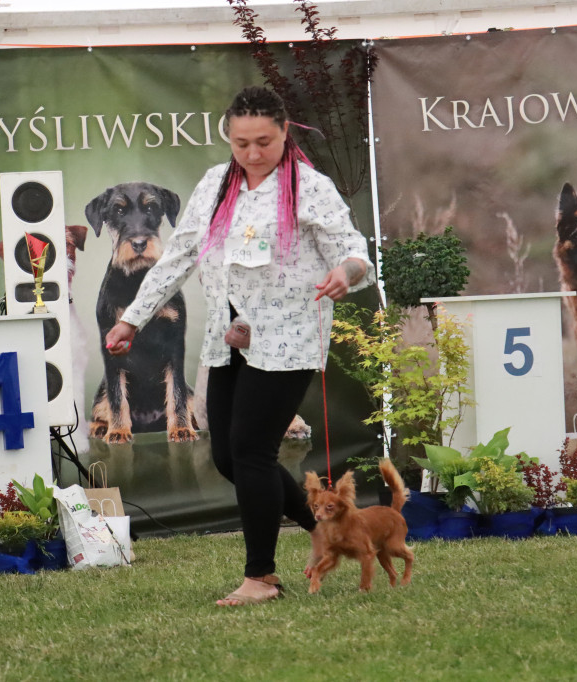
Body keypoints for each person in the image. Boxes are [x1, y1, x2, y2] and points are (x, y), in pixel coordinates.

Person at [104, 85, 375, 606]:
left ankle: (261, 578)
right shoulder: (213, 185)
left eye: (264, 142)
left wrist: (346, 272)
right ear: (228, 137)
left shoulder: (309, 188)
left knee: (252, 450)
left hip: (289, 335)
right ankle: (318, 528)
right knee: (228, 455)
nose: (253, 154)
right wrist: (131, 321)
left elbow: (353, 252)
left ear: (285, 133)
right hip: (227, 337)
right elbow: (179, 258)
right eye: (242, 142)